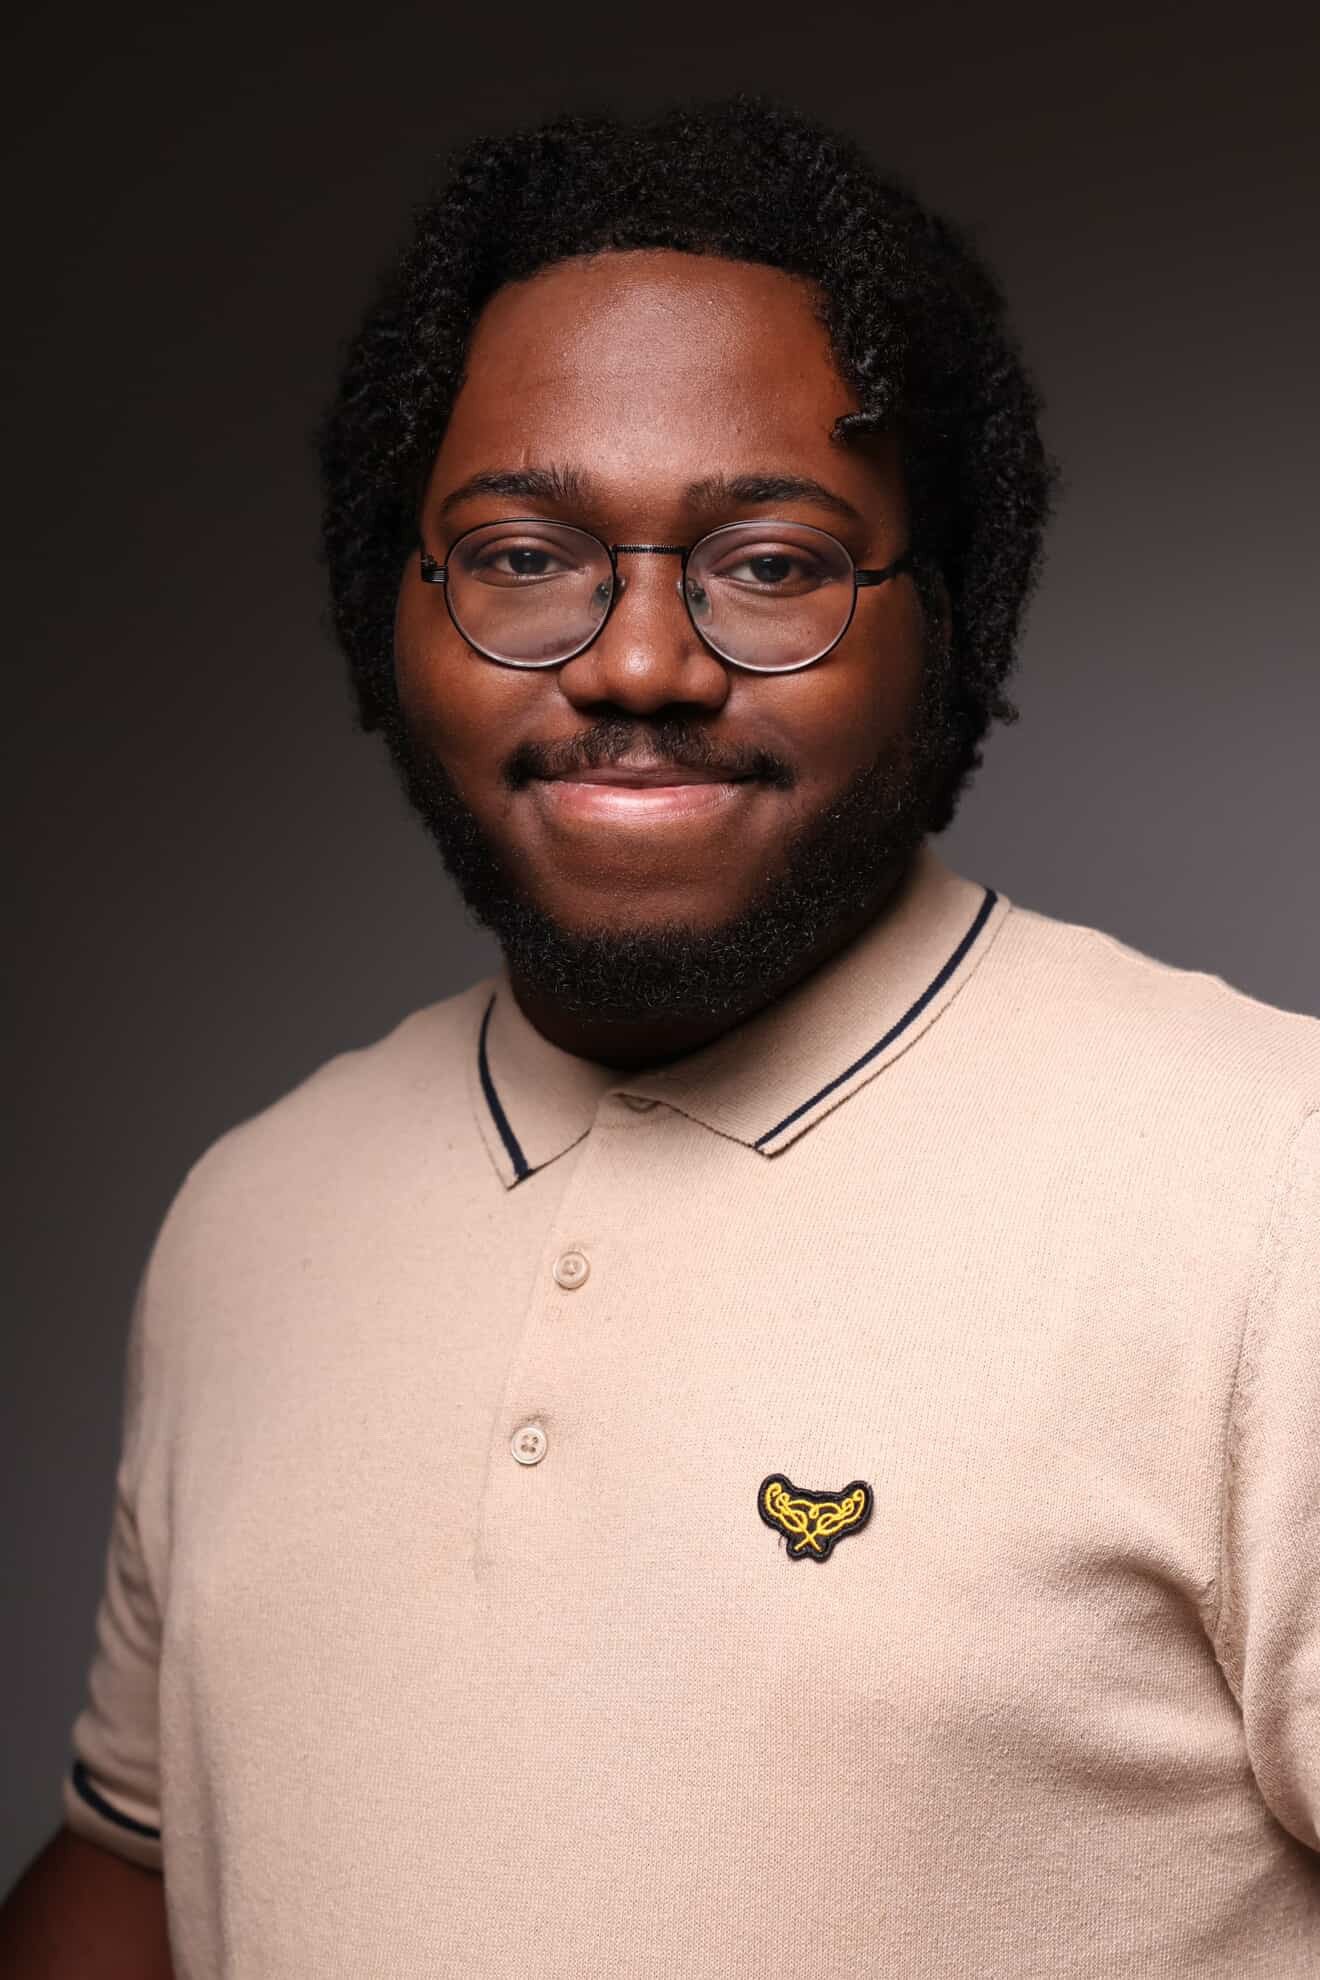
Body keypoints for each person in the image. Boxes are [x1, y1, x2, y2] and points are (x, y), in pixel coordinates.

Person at [3, 95, 1316, 1980]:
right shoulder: (248, 1216)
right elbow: (129, 1872)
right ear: (402, 615)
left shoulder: (1275, 1186)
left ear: (942, 619)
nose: (636, 663)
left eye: (770, 562)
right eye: (525, 553)